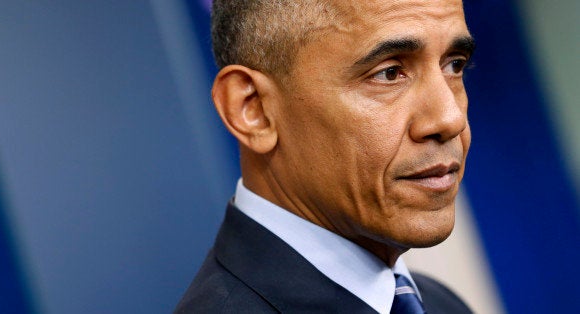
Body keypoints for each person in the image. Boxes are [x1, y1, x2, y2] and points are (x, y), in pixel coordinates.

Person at [176, 0, 475, 312]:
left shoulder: (441, 304)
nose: (450, 119)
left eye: (454, 65)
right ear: (254, 110)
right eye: (388, 73)